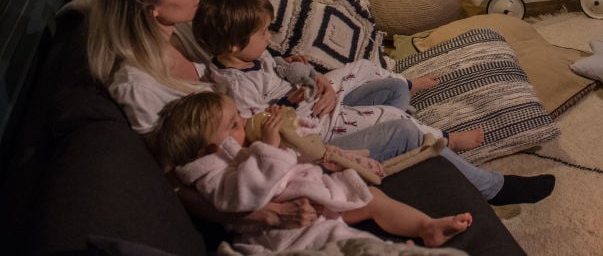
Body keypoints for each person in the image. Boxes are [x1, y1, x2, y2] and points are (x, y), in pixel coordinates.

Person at [86, 0, 554, 215]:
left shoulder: (177, 36)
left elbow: (261, 64)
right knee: (402, 128)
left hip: (303, 116)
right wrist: (259, 213)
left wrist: (313, 79)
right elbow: (177, 178)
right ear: (150, 6)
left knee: (384, 90)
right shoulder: (137, 84)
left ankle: (420, 126)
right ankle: (492, 188)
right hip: (288, 154)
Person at [156, 91, 472, 253]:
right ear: (214, 147)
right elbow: (246, 195)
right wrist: (268, 146)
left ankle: (426, 227)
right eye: (235, 124)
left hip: (317, 195)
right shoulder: (213, 176)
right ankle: (387, 253)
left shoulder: (241, 150)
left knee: (370, 196)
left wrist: (291, 129)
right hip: (289, 231)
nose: (245, 121)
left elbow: (302, 149)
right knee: (338, 239)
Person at [193, 0, 484, 152]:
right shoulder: (235, 86)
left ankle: (406, 85)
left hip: (312, 93)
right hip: (313, 122)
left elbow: (273, 67)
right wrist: (288, 103)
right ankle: (447, 140)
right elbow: (256, 127)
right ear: (234, 45)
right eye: (262, 33)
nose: (269, 37)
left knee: (362, 66)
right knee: (391, 116)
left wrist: (293, 66)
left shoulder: (249, 54)